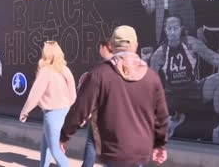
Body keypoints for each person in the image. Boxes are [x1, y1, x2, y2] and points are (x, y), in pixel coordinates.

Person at [61, 25, 169, 167]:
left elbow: (81, 109)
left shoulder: (99, 75)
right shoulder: (151, 77)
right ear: (136, 46)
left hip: (113, 151)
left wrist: (64, 136)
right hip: (141, 151)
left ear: (111, 45)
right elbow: (161, 116)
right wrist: (160, 144)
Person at [150, 15, 219, 144]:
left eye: (176, 28)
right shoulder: (159, 54)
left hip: (193, 90)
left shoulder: (191, 43)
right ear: (165, 30)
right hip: (173, 95)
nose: (173, 32)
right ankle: (167, 122)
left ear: (181, 29)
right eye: (170, 29)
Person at [19, 40, 76, 167]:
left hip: (52, 114)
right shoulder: (65, 70)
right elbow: (73, 94)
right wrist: (69, 108)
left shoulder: (46, 71)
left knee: (55, 149)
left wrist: (25, 111)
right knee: (46, 144)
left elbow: (34, 95)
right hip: (65, 112)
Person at [78, 40, 113, 167]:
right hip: (113, 113)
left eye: (100, 47)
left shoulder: (99, 69)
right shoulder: (121, 67)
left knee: (92, 142)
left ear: (104, 48)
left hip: (98, 111)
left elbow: (90, 93)